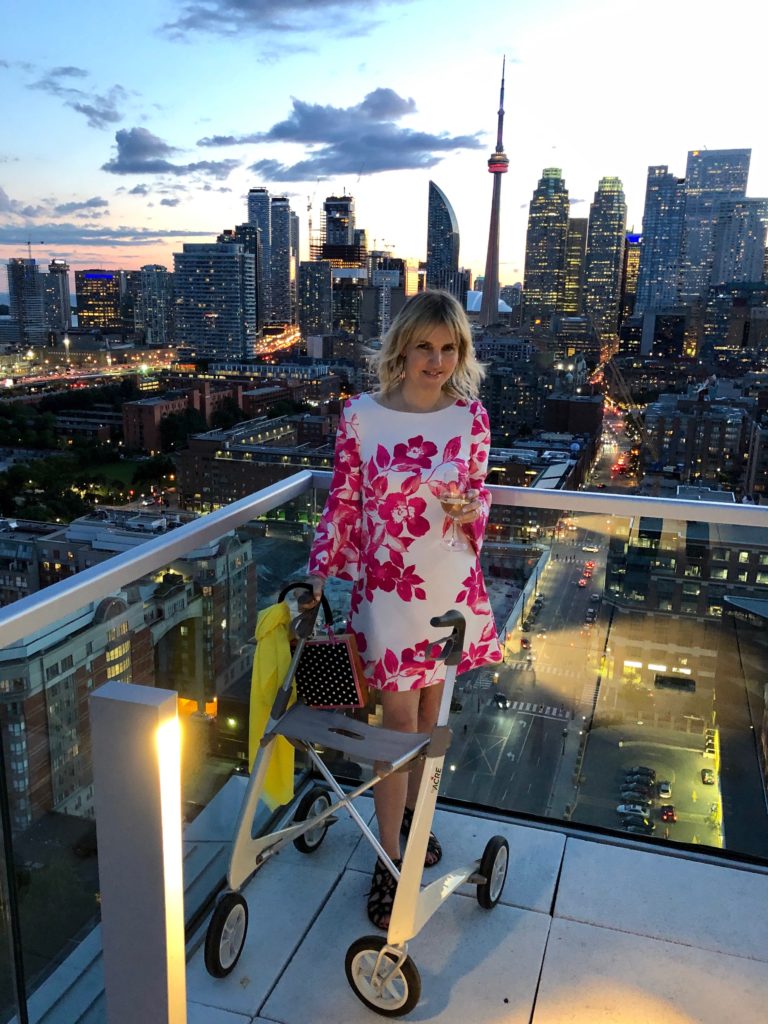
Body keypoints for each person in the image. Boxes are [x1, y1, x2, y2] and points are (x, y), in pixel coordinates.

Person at [305, 290, 502, 929]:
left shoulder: (472, 419)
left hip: (447, 584)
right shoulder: (360, 416)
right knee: (395, 723)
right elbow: (343, 501)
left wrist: (475, 512)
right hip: (389, 586)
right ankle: (389, 858)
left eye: (449, 349)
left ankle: (415, 824)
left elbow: (477, 499)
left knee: (427, 713)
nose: (437, 361)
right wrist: (320, 571)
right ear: (402, 347)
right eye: (426, 347)